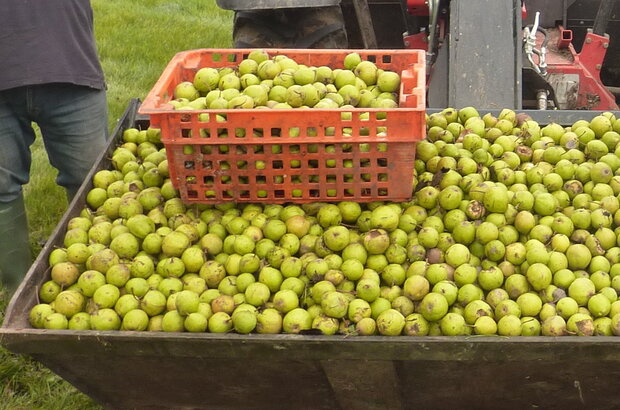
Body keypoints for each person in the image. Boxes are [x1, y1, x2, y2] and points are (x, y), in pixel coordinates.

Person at [0, 1, 109, 294]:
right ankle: (16, 295)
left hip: (67, 59)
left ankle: (98, 276)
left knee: (92, 180)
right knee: (1, 188)